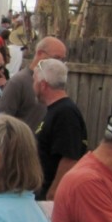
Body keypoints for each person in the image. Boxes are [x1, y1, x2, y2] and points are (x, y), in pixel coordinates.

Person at [33, 58, 88, 200]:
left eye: (34, 82)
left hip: (52, 194)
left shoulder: (65, 113)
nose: (33, 86)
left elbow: (69, 157)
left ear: (43, 85)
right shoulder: (56, 110)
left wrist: (54, 191)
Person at [0, 35, 66, 131]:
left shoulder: (55, 83)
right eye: (56, 58)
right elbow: (2, 120)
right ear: (40, 53)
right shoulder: (18, 82)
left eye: (63, 60)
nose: (59, 63)